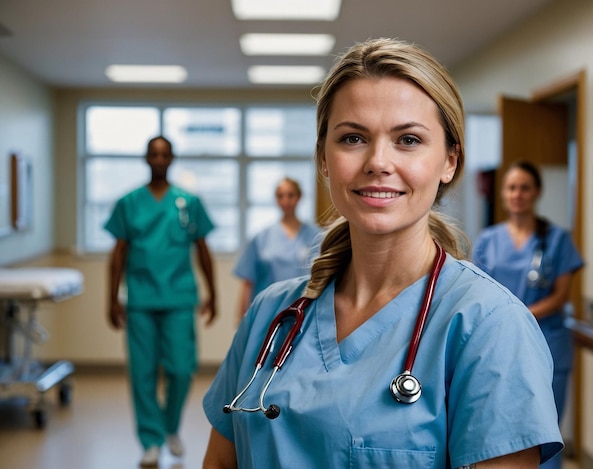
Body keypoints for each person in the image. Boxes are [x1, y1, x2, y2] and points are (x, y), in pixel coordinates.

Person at [202, 38, 564, 468]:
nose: (378, 161)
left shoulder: (490, 326)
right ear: (323, 158)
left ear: (450, 161)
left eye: (408, 139)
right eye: (353, 137)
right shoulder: (270, 314)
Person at [105, 136, 218, 467]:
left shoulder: (188, 202)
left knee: (182, 369)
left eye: (164, 154)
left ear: (172, 159)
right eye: (153, 154)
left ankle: (170, 428)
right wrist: (111, 298)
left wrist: (214, 293)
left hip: (179, 297)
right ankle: (150, 439)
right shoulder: (129, 202)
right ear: (146, 158)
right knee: (142, 373)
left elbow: (202, 248)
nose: (158, 159)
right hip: (140, 299)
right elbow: (118, 253)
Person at [473, 160, 584, 469]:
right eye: (511, 187)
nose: (517, 194)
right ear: (503, 194)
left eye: (524, 187)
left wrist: (519, 314)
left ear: (536, 192)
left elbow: (561, 295)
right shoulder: (489, 240)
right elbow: (478, 292)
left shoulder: (557, 239)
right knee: (503, 430)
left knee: (545, 432)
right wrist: (510, 319)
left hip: (549, 343)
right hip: (502, 346)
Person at [233, 177, 321, 321]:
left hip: (305, 311)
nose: (286, 201)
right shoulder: (261, 238)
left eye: (291, 195)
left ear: (299, 197)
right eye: (281, 196)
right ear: (276, 199)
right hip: (268, 312)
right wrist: (242, 321)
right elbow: (248, 283)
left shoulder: (316, 237)